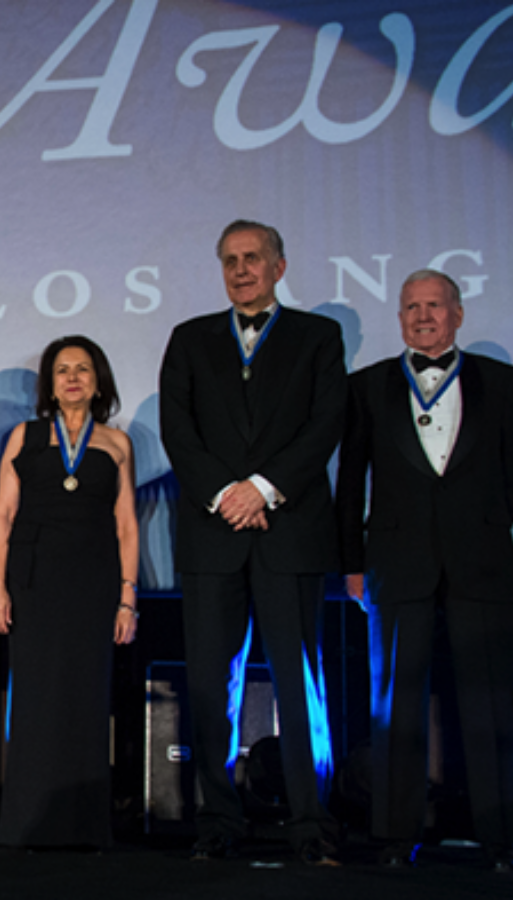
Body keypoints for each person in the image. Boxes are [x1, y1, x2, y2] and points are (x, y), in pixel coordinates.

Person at [158, 220, 346, 865]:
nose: (241, 270)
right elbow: (177, 430)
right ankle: (218, 823)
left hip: (288, 530)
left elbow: (326, 424)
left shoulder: (319, 336)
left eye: (253, 259)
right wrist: (226, 494)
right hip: (213, 534)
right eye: (231, 260)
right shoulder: (188, 339)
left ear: (279, 267)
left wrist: (261, 489)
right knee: (212, 686)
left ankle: (310, 825)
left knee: (300, 686)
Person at [336, 270, 513, 874]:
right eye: (411, 307)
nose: (423, 316)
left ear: (458, 314)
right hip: (395, 563)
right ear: (400, 319)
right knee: (395, 705)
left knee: (492, 702)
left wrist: (486, 528)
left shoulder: (499, 380)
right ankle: (395, 838)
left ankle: (502, 841)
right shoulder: (366, 386)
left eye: (434, 306)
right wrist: (352, 563)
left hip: (480, 563)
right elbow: (350, 485)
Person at [0, 336, 139, 850]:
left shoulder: (117, 443)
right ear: (50, 385)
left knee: (86, 699)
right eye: (62, 370)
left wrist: (127, 598)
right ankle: (26, 825)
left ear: (99, 381)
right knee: (34, 701)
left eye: (83, 369)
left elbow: (126, 527)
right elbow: (3, 515)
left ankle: (84, 827)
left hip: (93, 584)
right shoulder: (23, 437)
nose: (72, 377)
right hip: (33, 582)